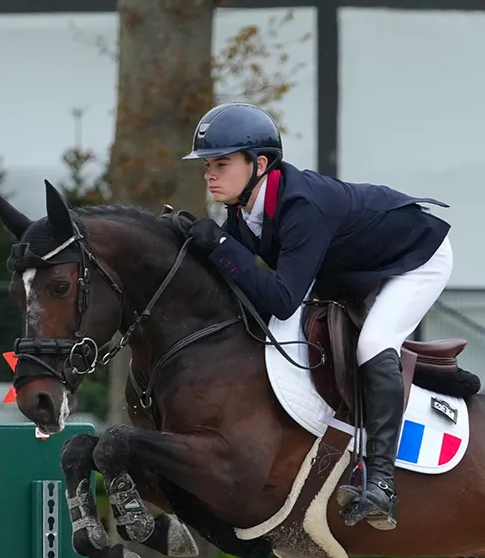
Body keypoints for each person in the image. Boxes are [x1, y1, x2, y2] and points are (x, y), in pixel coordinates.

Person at [167, 101, 452, 531]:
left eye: (221, 163)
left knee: (374, 344)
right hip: (354, 271)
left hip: (415, 260)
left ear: (259, 164)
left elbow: (281, 299)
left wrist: (221, 247)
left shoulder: (302, 207)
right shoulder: (246, 208)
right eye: (208, 164)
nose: (209, 174)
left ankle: (382, 482)